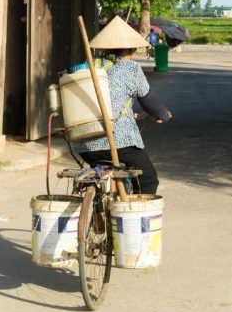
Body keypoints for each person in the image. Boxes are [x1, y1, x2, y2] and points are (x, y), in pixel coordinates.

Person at [73, 16, 172, 194]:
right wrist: (163, 114)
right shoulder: (131, 68)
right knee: (148, 181)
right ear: (130, 48)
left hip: (84, 145)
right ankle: (130, 220)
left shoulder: (89, 66)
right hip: (120, 143)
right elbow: (149, 102)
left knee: (100, 169)